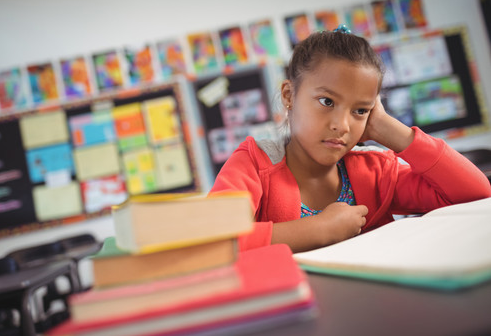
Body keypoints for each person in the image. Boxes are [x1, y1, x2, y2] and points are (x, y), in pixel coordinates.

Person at [209, 25, 491, 253]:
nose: (342, 125)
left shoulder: (375, 171)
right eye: (326, 101)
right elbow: (211, 240)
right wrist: (319, 228)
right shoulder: (255, 164)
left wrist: (388, 129)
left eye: (360, 110)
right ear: (289, 95)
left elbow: (476, 193)